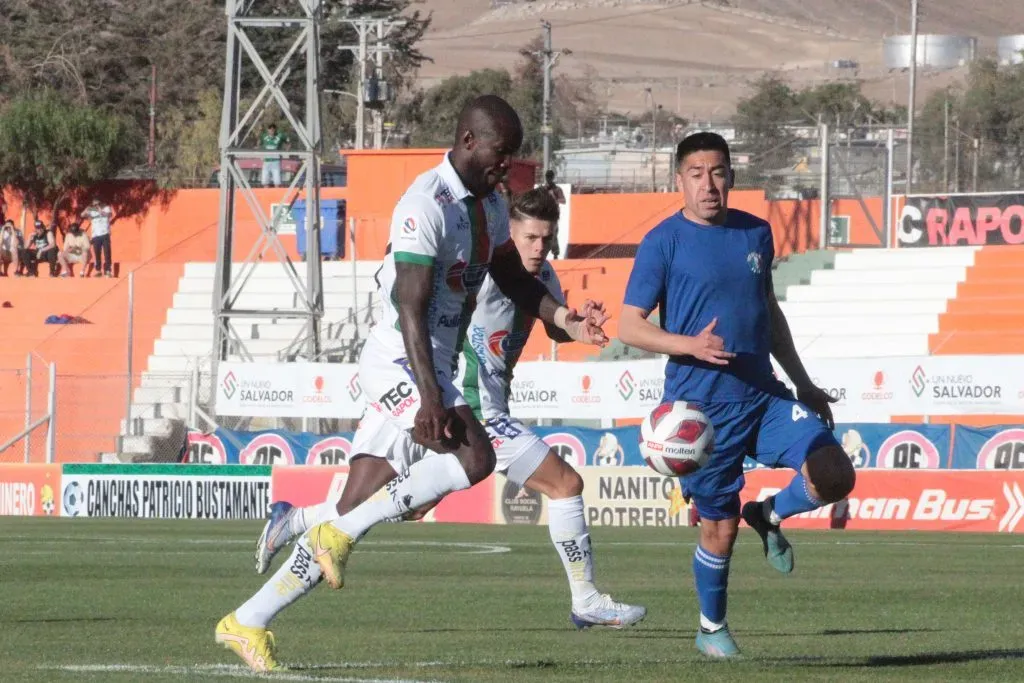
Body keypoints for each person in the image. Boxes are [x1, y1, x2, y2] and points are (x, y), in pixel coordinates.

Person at [215, 95, 610, 672]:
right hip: (401, 360)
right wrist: (430, 398)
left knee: (350, 505)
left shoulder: (490, 205)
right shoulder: (424, 204)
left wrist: (566, 319)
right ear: (469, 142)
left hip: (429, 367)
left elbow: (512, 279)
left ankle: (246, 621)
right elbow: (410, 307)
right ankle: (337, 534)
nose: (508, 166)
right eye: (501, 154)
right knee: (475, 458)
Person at [251, 187, 646, 633]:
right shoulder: (479, 276)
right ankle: (587, 600)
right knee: (565, 484)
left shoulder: (543, 276)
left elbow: (553, 326)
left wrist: (578, 323)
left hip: (465, 406)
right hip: (464, 406)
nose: (539, 248)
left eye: (546, 239)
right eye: (529, 238)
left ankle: (295, 522)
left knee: (368, 505)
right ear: (505, 235)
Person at [617, 132, 855, 658]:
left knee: (836, 472)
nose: (709, 184)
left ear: (731, 176)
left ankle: (769, 515)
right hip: (700, 413)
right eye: (697, 173)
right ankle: (711, 629)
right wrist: (689, 346)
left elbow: (769, 314)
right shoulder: (664, 241)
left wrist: (803, 381)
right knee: (718, 530)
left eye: (718, 172)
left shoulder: (756, 232)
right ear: (679, 180)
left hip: (765, 397)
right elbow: (629, 326)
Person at [80, 198, 113, 277]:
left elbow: (108, 215)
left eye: (97, 204)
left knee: (107, 253)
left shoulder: (106, 208)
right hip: (95, 235)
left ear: (100, 203)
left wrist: (99, 209)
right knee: (97, 254)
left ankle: (108, 270)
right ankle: (98, 271)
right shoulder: (92, 211)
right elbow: (82, 215)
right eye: (94, 204)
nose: (95, 205)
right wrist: (86, 209)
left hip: (105, 234)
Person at [259, 123, 288, 187]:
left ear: (275, 129)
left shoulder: (279, 136)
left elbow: (288, 142)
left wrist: (286, 150)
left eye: (273, 128)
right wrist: (261, 154)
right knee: (265, 181)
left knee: (277, 181)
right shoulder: (264, 136)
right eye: (270, 128)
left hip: (276, 161)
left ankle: (277, 194)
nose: (271, 130)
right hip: (266, 161)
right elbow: (259, 143)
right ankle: (265, 194)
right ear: (268, 129)